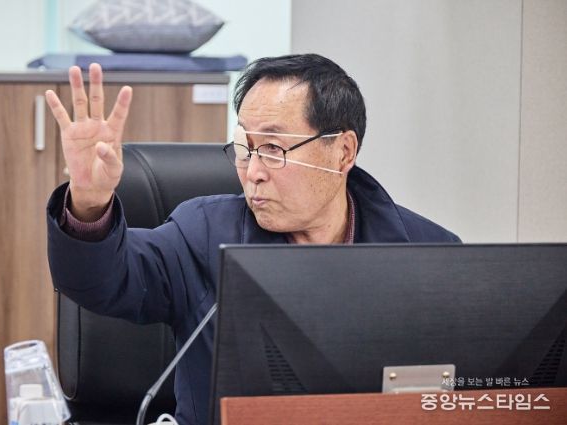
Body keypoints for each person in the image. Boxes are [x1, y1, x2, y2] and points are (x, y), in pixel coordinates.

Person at [46, 54, 460, 425]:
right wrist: (89, 202)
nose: (254, 173)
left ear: (343, 152)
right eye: (246, 148)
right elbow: (101, 280)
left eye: (274, 149)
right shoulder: (202, 233)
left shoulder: (428, 254)